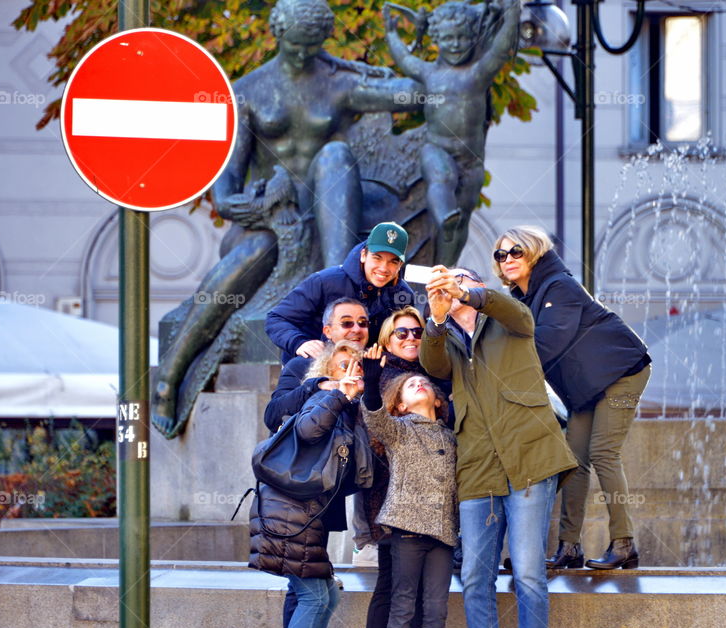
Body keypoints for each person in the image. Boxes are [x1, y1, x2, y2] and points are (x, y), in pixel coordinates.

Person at [150, 0, 421, 434]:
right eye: (295, 44)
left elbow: (417, 97)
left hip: (332, 218)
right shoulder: (248, 91)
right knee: (253, 254)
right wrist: (269, 208)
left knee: (335, 154)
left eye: (311, 46)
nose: (301, 54)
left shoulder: (338, 81)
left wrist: (416, 50)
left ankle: (339, 281)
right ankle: (169, 376)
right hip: (264, 224)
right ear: (279, 35)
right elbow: (224, 195)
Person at [419, 267, 578, 628]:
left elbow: (521, 315)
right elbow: (432, 367)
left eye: (461, 281)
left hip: (529, 458)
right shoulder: (445, 336)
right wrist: (434, 318)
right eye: (444, 285)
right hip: (478, 467)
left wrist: (472, 294)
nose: (451, 288)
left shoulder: (508, 318)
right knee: (473, 575)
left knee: (528, 573)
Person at [493, 226, 651, 570]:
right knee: (574, 460)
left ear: (534, 251)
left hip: (622, 371)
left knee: (602, 452)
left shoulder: (558, 286)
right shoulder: (524, 298)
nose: (508, 259)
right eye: (501, 254)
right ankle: (569, 548)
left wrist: (498, 363)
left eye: (516, 252)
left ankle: (624, 543)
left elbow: (548, 342)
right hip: (587, 385)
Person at [248, 340, 371, 628]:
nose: (353, 370)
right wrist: (337, 394)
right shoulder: (322, 400)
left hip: (305, 515)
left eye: (358, 365)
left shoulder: (346, 409)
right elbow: (307, 431)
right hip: (290, 515)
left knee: (326, 595)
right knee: (315, 596)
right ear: (326, 373)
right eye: (343, 364)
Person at [355, 308, 453, 628]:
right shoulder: (398, 428)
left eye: (418, 331)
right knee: (400, 601)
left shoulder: (450, 434)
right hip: (403, 527)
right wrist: (372, 383)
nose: (411, 337)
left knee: (435, 609)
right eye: (401, 333)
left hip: (443, 531)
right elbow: (375, 419)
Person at [382, 0, 519, 266]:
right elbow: (404, 59)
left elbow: (501, 50)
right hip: (437, 148)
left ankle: (444, 267)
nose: (455, 44)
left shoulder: (478, 73)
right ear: (437, 40)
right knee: (441, 178)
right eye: (448, 39)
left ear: (471, 39)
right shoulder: (429, 72)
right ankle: (445, 214)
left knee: (462, 219)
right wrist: (390, 32)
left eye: (461, 38)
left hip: (470, 160)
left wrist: (512, 16)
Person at [266, 222, 414, 363]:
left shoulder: (403, 295)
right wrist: (299, 343)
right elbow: (276, 318)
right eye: (377, 258)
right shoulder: (324, 281)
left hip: (367, 373)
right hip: (311, 368)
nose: (383, 268)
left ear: (400, 265)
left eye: (393, 262)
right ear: (363, 255)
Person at [263, 298, 370, 432]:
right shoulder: (302, 364)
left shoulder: (376, 366)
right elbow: (272, 416)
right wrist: (317, 385)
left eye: (362, 323)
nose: (356, 329)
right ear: (327, 331)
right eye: (347, 323)